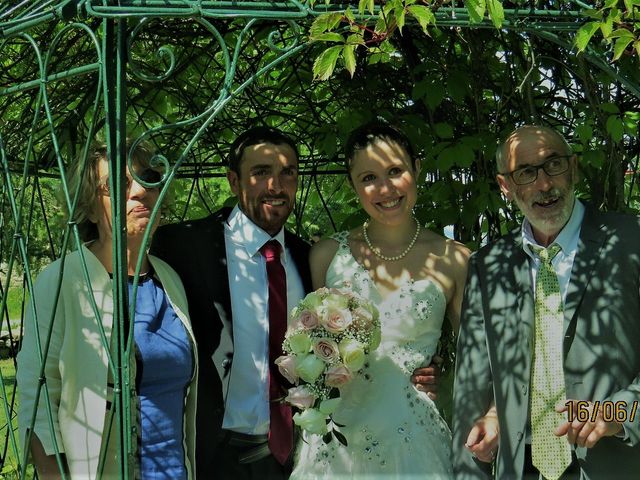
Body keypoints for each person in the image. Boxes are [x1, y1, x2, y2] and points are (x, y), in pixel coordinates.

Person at [151, 126, 443, 479]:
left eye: (287, 172)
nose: (276, 185)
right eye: (261, 172)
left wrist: (423, 366)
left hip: (293, 455)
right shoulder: (186, 247)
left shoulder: (311, 258)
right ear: (232, 181)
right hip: (214, 453)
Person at [290, 122, 489, 478]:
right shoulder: (326, 256)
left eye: (395, 171)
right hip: (337, 445)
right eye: (368, 177)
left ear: (417, 169)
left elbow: (475, 363)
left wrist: (439, 381)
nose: (385, 188)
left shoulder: (455, 260)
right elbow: (311, 353)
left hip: (412, 439)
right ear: (353, 185)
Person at [453, 125, 640, 479]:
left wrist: (622, 411)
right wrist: (483, 433)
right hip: (519, 468)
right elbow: (472, 386)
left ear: (574, 167)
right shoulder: (488, 264)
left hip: (613, 465)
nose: (543, 185)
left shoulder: (632, 242)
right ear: (505, 186)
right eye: (526, 173)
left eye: (553, 165)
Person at [17, 141, 198, 479]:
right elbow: (38, 401)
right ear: (87, 207)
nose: (141, 191)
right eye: (118, 185)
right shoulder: (63, 281)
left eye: (149, 178)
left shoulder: (168, 278)